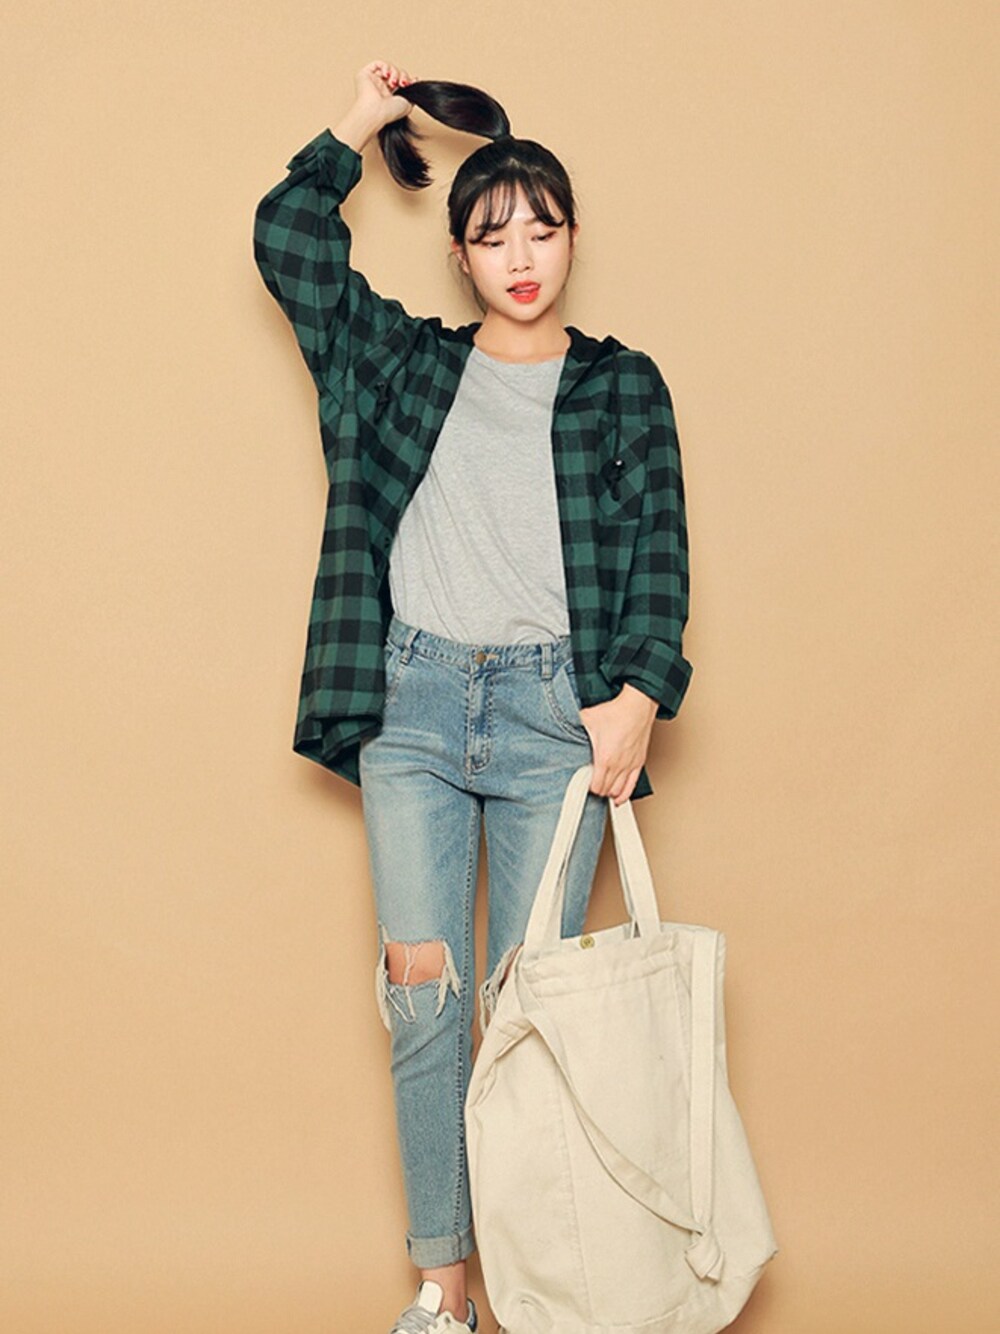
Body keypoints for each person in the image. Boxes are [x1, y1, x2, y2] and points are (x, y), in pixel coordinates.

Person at [253, 58, 694, 1334]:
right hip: (415, 705)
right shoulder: (397, 364)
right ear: (457, 255)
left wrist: (640, 691)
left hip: (559, 715)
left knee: (532, 1011)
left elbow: (660, 547)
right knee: (424, 994)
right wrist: (361, 122)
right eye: (493, 235)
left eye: (541, 230)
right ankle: (443, 1288)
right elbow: (287, 240)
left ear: (572, 239)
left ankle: (538, 1283)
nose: (521, 256)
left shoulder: (621, 383)